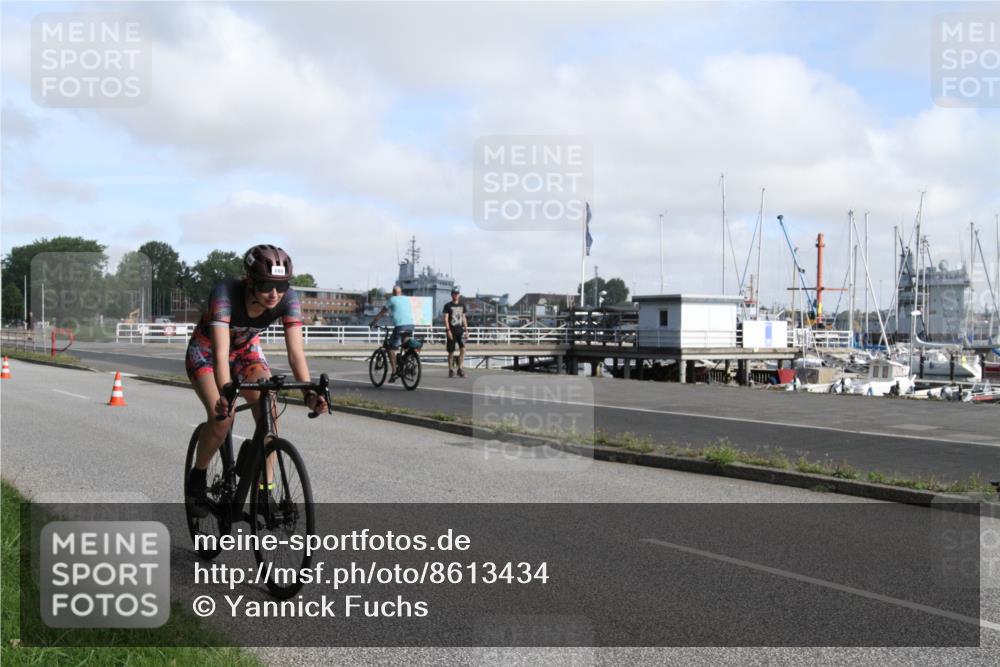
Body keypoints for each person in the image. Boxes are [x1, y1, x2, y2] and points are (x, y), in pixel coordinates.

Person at [184, 244, 328, 517]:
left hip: (246, 352)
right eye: (265, 285)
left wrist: (309, 394)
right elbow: (220, 352)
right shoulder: (225, 293)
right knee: (223, 418)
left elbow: (296, 354)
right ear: (249, 280)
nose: (274, 294)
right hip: (207, 352)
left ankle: (264, 490)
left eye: (282, 285)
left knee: (269, 411)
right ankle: (197, 479)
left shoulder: (289, 299)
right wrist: (226, 395)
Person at [369, 285, 414, 383]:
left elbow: (382, 313)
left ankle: (394, 372)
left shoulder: (392, 299)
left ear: (393, 292)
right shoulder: (406, 299)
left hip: (400, 326)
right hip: (410, 325)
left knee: (390, 348)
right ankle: (406, 362)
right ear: (401, 292)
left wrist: (374, 322)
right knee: (405, 344)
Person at [442, 286, 468, 377]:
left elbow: (464, 318)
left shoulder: (462, 305)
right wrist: (448, 330)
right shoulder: (447, 306)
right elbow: (445, 319)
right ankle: (451, 370)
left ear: (459, 295)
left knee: (463, 349)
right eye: (454, 294)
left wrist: (466, 330)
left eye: (457, 294)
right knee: (451, 352)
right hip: (451, 331)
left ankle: (460, 369)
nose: (455, 295)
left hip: (460, 331)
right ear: (451, 295)